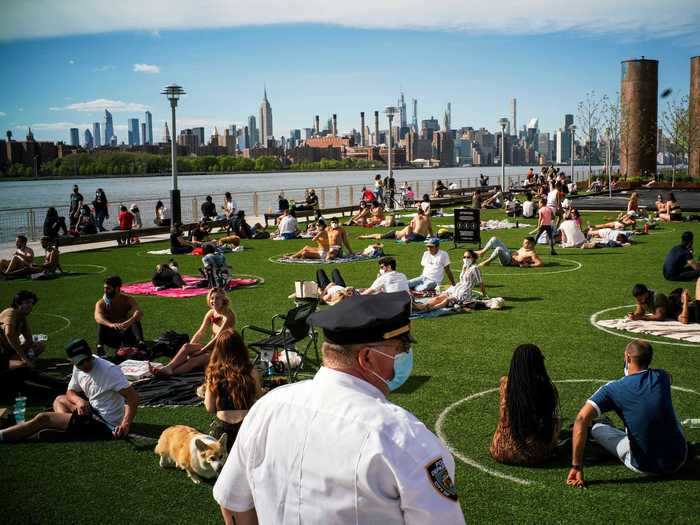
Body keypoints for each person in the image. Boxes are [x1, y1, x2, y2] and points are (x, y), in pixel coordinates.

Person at [213, 293, 466, 525]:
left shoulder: (267, 408)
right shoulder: (405, 439)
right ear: (366, 358)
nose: (407, 355)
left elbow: (233, 504)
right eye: (402, 349)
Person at [567, 340, 687, 488]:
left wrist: (576, 466)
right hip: (680, 458)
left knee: (597, 429)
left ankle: (604, 429)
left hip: (645, 465)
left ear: (627, 358)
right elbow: (668, 378)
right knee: (668, 409)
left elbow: (581, 419)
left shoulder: (612, 389)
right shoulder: (661, 376)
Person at [0, 339, 139, 443]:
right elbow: (70, 392)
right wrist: (79, 401)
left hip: (107, 424)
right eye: (79, 362)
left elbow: (133, 397)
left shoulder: (109, 371)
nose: (85, 364)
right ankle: (69, 430)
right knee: (59, 399)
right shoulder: (78, 367)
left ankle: (2, 436)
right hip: (92, 412)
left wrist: (125, 424)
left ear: (91, 354)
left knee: (43, 418)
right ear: (71, 361)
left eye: (87, 359)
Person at [490, 344, 561, 466]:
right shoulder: (544, 387)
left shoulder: (505, 384)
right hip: (534, 456)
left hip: (500, 450)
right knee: (557, 420)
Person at [153, 288, 236, 376]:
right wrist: (191, 346)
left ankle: (170, 373)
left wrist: (201, 351)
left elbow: (217, 338)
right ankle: (168, 367)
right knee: (186, 346)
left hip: (224, 351)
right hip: (212, 348)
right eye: (212, 298)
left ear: (223, 300)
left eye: (217, 298)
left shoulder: (228, 315)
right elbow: (200, 332)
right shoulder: (211, 313)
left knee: (195, 360)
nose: (214, 301)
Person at [204, 329, 260, 452]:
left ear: (218, 349)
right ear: (240, 347)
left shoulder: (213, 373)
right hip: (247, 427)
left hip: (222, 429)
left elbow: (209, 408)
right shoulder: (251, 370)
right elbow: (258, 395)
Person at [412, 250, 485, 311]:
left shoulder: (475, 268)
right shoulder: (464, 266)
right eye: (464, 257)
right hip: (457, 289)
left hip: (464, 294)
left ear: (473, 258)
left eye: (468, 257)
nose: (466, 259)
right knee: (439, 297)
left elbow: (481, 282)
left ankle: (429, 308)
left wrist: (484, 294)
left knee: (446, 300)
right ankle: (423, 305)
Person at [94, 275, 145, 356]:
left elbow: (139, 312)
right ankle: (100, 347)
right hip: (112, 337)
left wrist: (130, 321)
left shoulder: (128, 299)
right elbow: (97, 317)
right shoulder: (101, 303)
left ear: (117, 289)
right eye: (104, 288)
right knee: (102, 321)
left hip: (127, 334)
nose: (105, 291)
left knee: (135, 318)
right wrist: (110, 325)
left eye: (108, 288)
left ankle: (141, 343)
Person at [0, 290, 45, 368]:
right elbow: (9, 333)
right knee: (22, 365)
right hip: (3, 353)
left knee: (40, 345)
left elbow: (29, 338)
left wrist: (29, 346)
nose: (30, 305)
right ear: (18, 303)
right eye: (27, 302)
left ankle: (21, 361)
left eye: (31, 303)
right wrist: (24, 357)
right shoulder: (10, 312)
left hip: (9, 351)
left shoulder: (21, 316)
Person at [475, 236, 544, 268]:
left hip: (508, 261)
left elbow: (540, 263)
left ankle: (487, 262)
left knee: (498, 249)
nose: (523, 244)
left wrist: (528, 265)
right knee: (494, 239)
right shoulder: (524, 248)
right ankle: (482, 252)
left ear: (531, 244)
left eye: (525, 243)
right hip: (509, 254)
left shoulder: (532, 253)